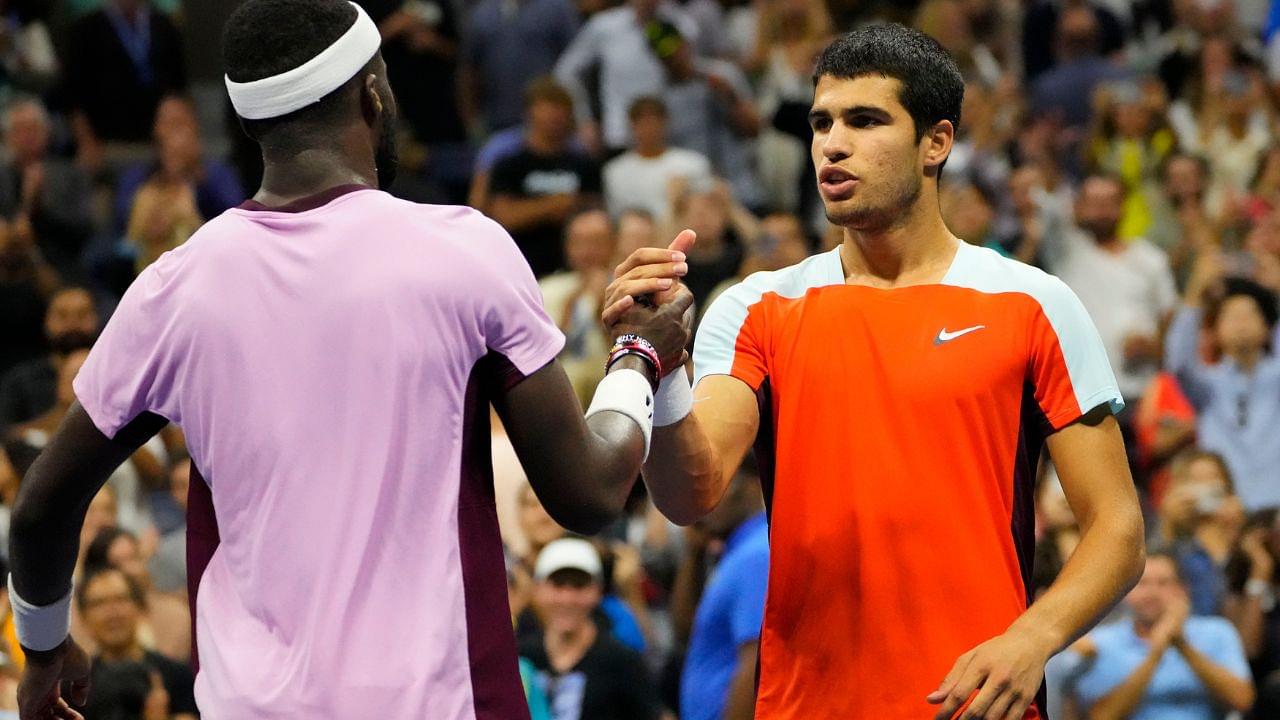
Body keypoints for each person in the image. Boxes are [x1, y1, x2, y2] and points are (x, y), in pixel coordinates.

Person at [7, 1, 694, 718]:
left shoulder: (175, 287)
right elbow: (587, 493)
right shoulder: (464, 249)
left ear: (249, 122)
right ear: (373, 93)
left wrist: (47, 650)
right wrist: (641, 354)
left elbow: (40, 507)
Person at [602, 24, 1146, 718]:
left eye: (865, 121)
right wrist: (662, 363)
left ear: (936, 142)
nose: (833, 143)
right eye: (821, 123)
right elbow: (689, 494)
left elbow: (1120, 530)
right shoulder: (755, 306)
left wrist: (1034, 636)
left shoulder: (1036, 303)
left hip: (974, 707)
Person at [1042, 174, 1178, 405]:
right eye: (1094, 203)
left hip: (1143, 389)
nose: (1102, 211)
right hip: (1083, 392)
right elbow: (1047, 205)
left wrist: (1154, 346)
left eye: (1109, 202)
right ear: (1078, 207)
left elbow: (1170, 316)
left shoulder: (1151, 258)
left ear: (1123, 207)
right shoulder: (1066, 251)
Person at [1066, 551, 1254, 719]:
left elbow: (1243, 700)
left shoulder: (1216, 632)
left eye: (1163, 583)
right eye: (1142, 583)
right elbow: (1102, 716)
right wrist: (1155, 655)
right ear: (1125, 592)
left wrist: (1182, 645)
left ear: (1183, 590)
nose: (1152, 593)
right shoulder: (1102, 642)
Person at [1165, 261, 1280, 512]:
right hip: (1224, 510)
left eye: (1250, 314)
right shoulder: (1207, 386)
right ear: (1215, 332)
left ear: (1266, 327)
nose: (1241, 322)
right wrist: (1196, 296)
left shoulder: (1276, 378)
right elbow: (1179, 364)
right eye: (1231, 316)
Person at [519, 538, 664, 720]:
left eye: (579, 586)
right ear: (538, 589)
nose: (567, 598)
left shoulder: (621, 660)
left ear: (597, 591)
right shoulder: (522, 654)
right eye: (557, 585)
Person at [674, 468, 767, 720]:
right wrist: (694, 552)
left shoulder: (755, 555)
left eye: (717, 483)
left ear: (751, 485)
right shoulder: (738, 551)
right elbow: (685, 631)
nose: (704, 499)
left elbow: (756, 661)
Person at [489, 79, 602, 278]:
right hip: (521, 266)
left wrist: (536, 209)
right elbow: (503, 216)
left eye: (561, 109)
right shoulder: (509, 165)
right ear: (530, 112)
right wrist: (555, 204)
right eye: (547, 108)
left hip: (575, 272)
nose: (555, 116)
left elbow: (596, 215)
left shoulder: (584, 164)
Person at [75, 567, 197, 720]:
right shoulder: (74, 688)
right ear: (83, 618)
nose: (112, 613)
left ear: (141, 609)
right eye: (98, 603)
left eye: (120, 599)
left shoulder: (178, 676)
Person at [0, 286, 98, 434]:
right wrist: (63, 409)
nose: (72, 324)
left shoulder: (117, 376)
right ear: (46, 322)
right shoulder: (20, 380)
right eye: (62, 316)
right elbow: (6, 436)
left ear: (96, 319)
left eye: (82, 315)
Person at [603, 97, 713, 222]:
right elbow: (619, 218)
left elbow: (706, 213)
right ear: (631, 125)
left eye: (654, 121)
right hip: (638, 236)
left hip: (683, 231)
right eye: (642, 122)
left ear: (665, 123)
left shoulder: (693, 164)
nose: (649, 128)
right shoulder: (614, 171)